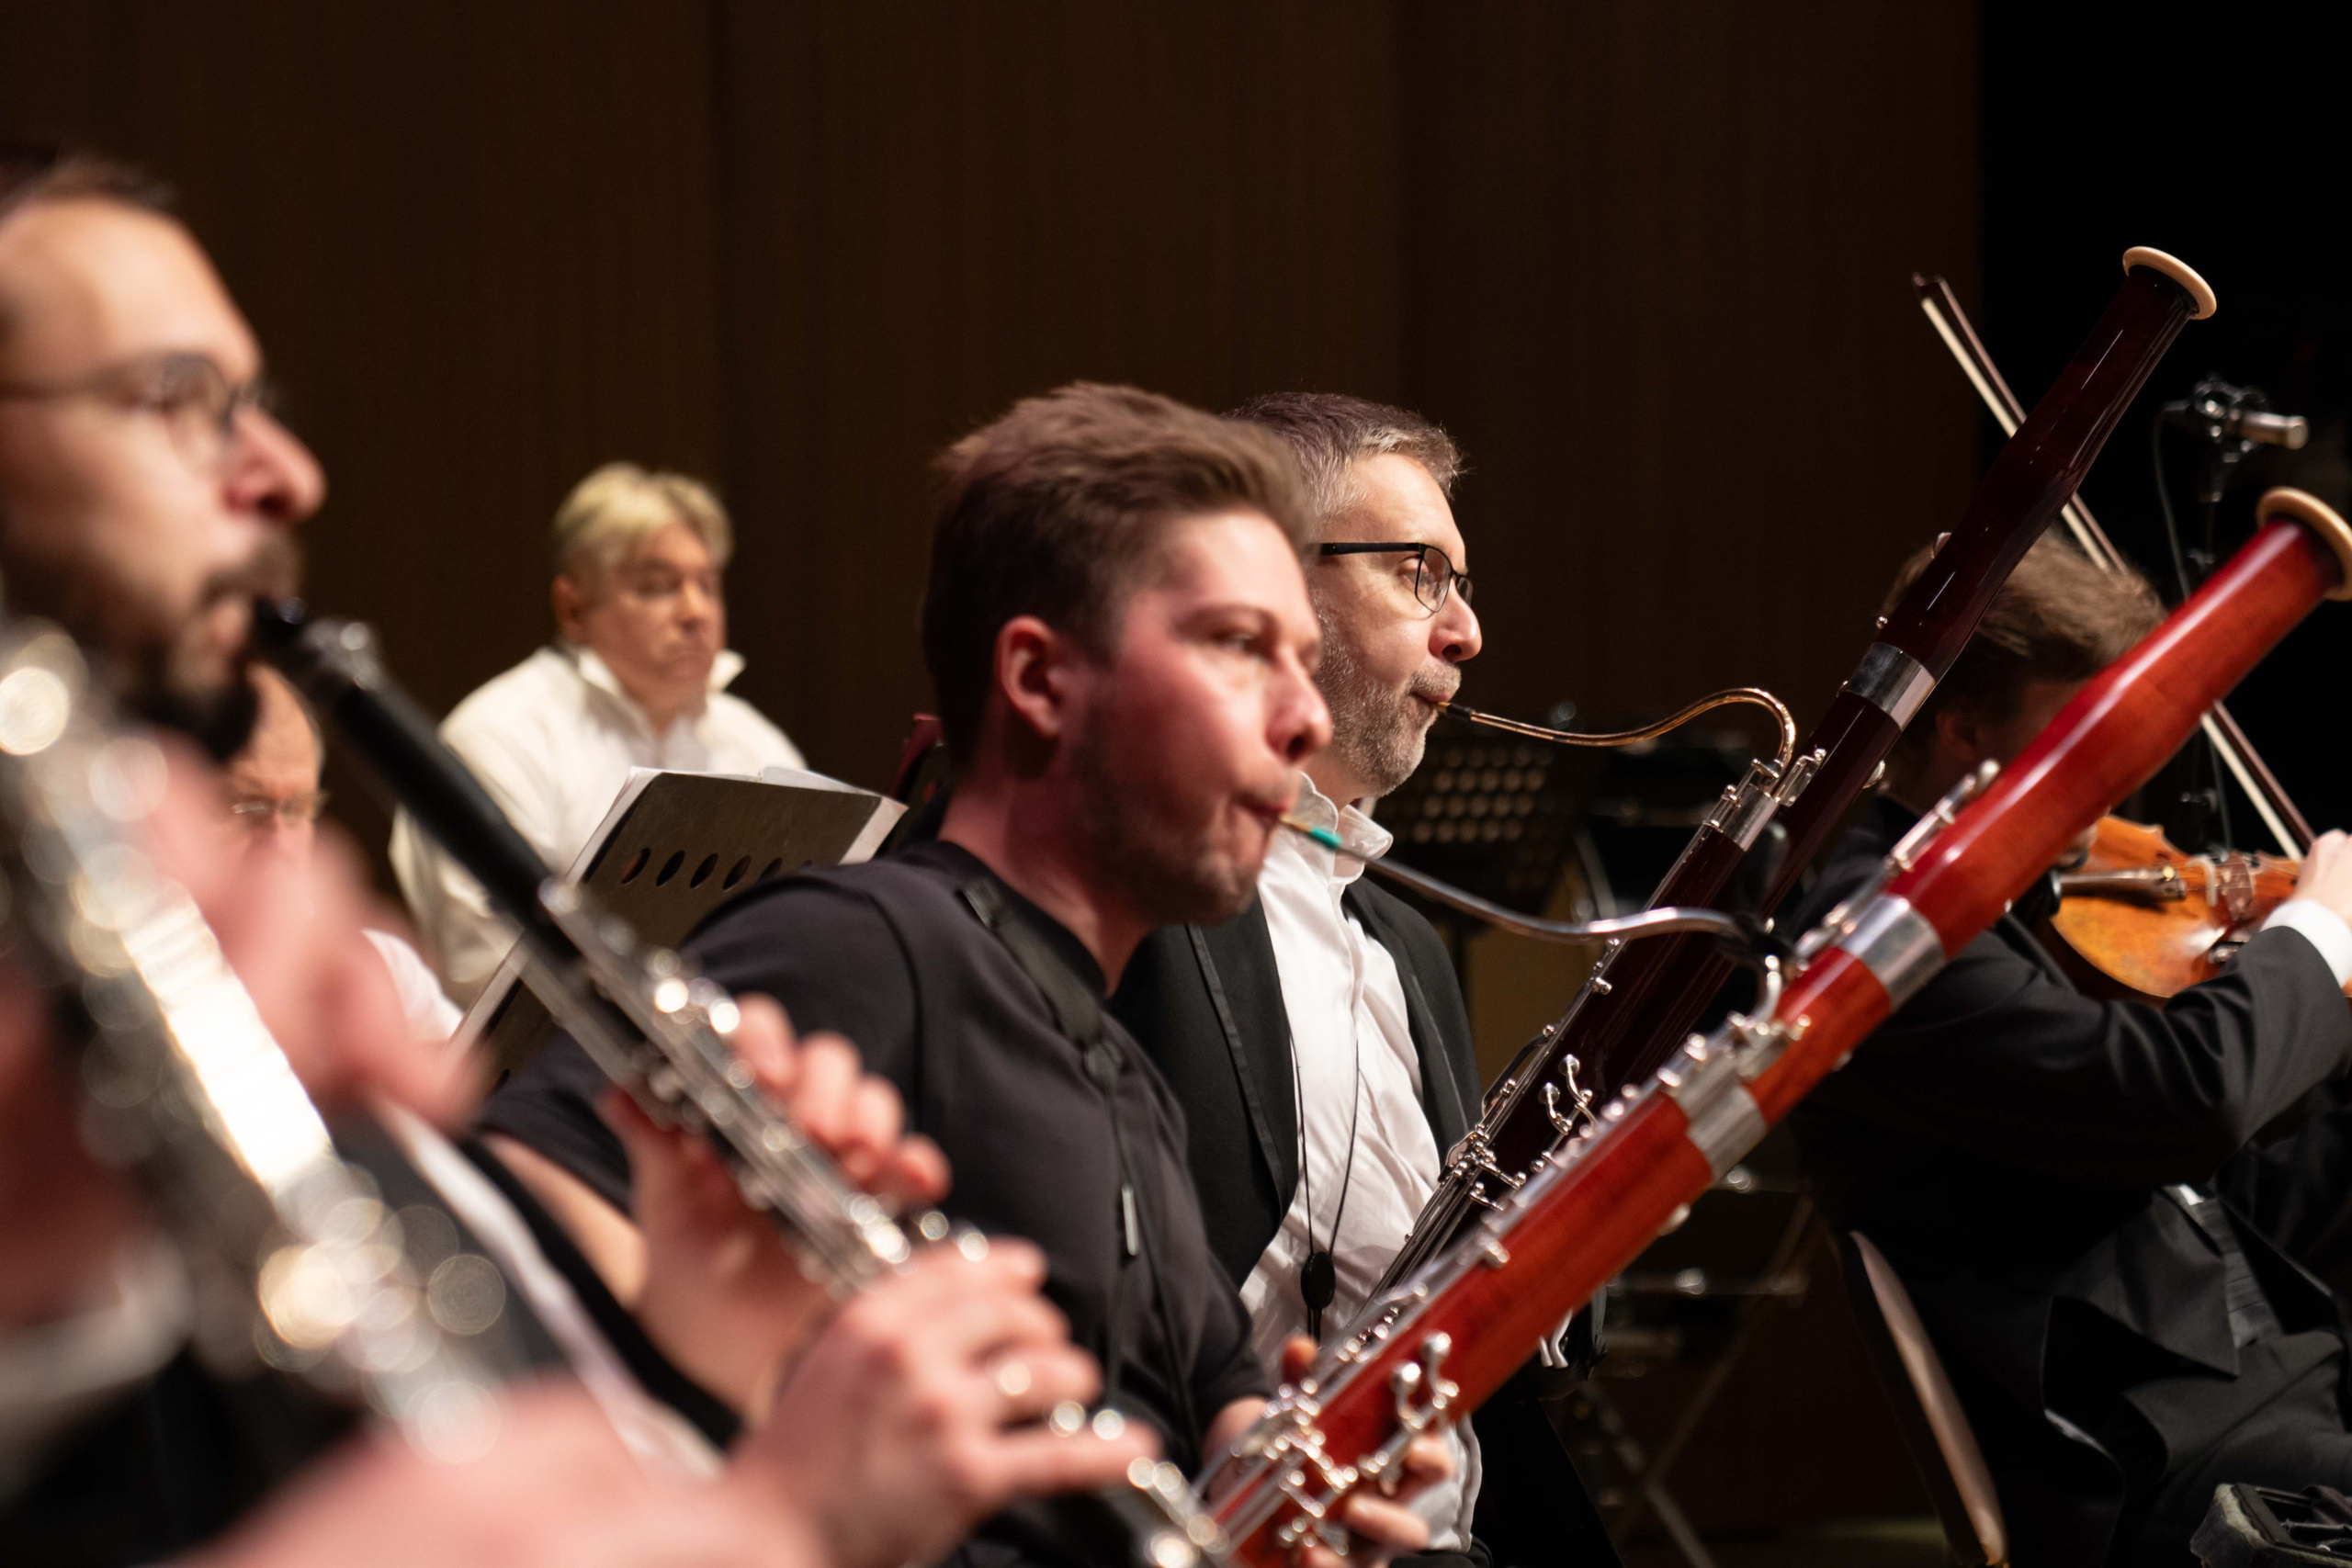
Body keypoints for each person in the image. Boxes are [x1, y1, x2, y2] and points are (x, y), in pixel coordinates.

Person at [0, 147, 1147, 1568]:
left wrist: (695, 1346)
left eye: (258, 408)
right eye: (176, 402)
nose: (286, 474)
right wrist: (778, 1524)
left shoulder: (125, 940)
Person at [482, 380, 1454, 1566]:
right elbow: (499, 1221)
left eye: (1306, 660)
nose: (1302, 718)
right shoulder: (867, 943)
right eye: (1241, 646)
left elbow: (1219, 1410)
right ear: (1043, 682)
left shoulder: (1125, 1077)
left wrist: (1265, 1481)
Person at [1108, 392, 1612, 1568]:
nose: (1466, 632)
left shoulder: (1407, 945)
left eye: (1463, 583)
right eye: (1417, 573)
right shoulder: (1131, 901)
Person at [1785, 535, 2352, 1566]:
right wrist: (2313, 932)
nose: (2123, 775)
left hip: (2264, 1399)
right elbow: (2188, 1102)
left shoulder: (1994, 906)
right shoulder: (1875, 941)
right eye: (2089, 739)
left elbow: (2224, 1210)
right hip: (2172, 1472)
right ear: (1964, 734)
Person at [391, 461, 805, 1004]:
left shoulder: (755, 740)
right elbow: (494, 975)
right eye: (658, 587)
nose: (696, 612)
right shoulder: (499, 736)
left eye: (708, 585)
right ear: (574, 608)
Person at [226, 661, 462, 1039]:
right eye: (248, 806)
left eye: (296, 809)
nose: (280, 843)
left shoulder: (383, 970)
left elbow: (483, 1088)